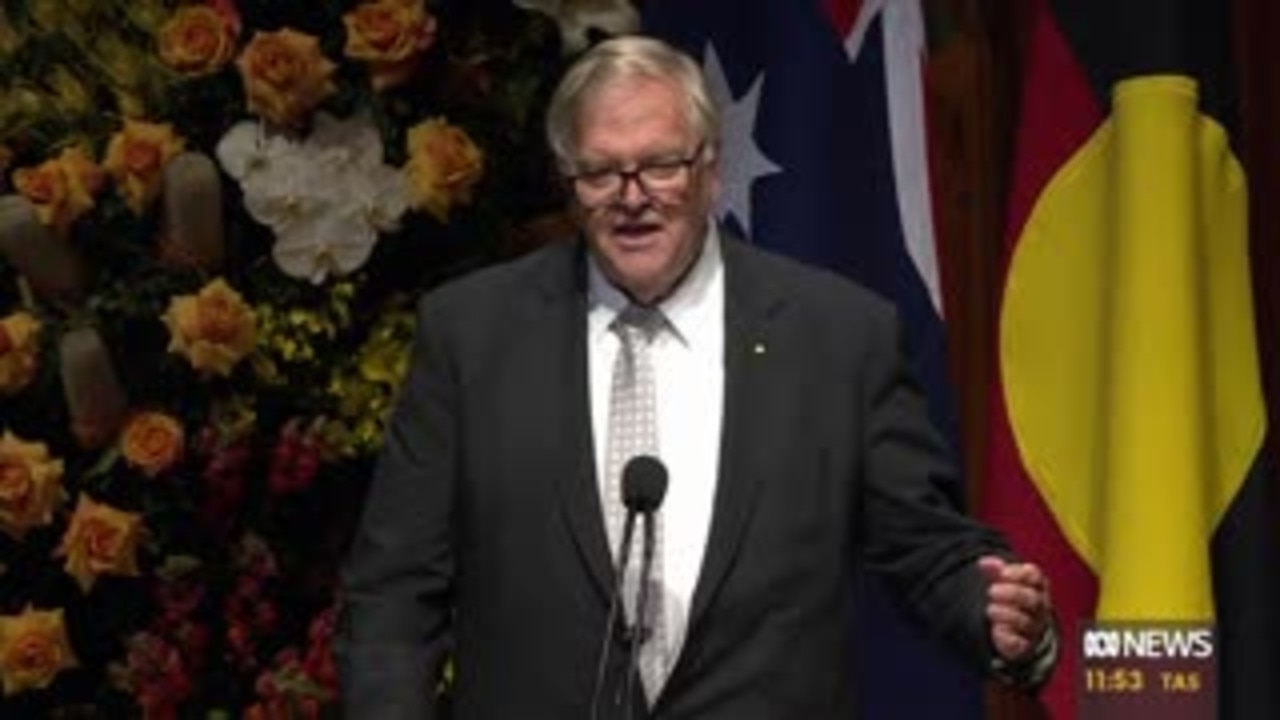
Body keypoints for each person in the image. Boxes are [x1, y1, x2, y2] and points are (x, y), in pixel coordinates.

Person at [336, 34, 1056, 719]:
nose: (632, 194)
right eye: (600, 171)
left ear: (710, 169)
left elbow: (924, 546)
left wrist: (988, 607)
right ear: (569, 181)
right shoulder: (473, 334)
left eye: (660, 164)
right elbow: (394, 590)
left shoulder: (839, 338)